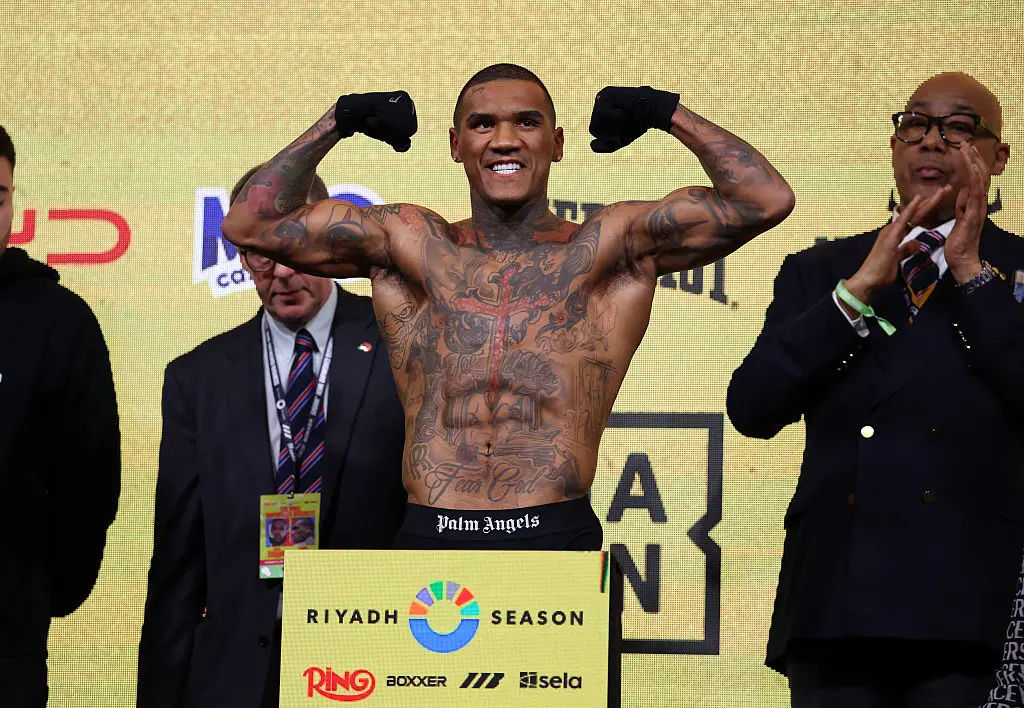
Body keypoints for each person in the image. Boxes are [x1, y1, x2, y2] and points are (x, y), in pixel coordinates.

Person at [222, 63, 795, 551]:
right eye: (482, 124)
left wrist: (665, 111)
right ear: (455, 145)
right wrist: (338, 121)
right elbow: (250, 224)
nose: (504, 139)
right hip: (432, 532)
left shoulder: (609, 247)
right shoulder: (409, 244)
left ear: (557, 142)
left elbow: (764, 199)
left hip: (553, 530)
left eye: (527, 122)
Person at [727, 72, 1024, 707]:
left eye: (960, 129)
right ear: (893, 147)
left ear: (997, 158)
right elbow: (752, 407)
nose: (932, 142)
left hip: (972, 605)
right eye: (915, 125)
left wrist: (971, 271)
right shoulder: (821, 272)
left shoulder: (1018, 271)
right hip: (838, 600)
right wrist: (855, 295)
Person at [137, 167, 406, 708]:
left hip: (373, 663)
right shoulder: (197, 378)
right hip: (235, 675)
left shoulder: (404, 346)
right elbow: (179, 560)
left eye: (294, 246)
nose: (281, 271)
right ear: (240, 254)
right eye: (261, 252)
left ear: (331, 244)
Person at [0, 125, 121, 707]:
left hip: (8, 637)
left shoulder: (57, 320)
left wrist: (38, 590)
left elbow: (90, 480)